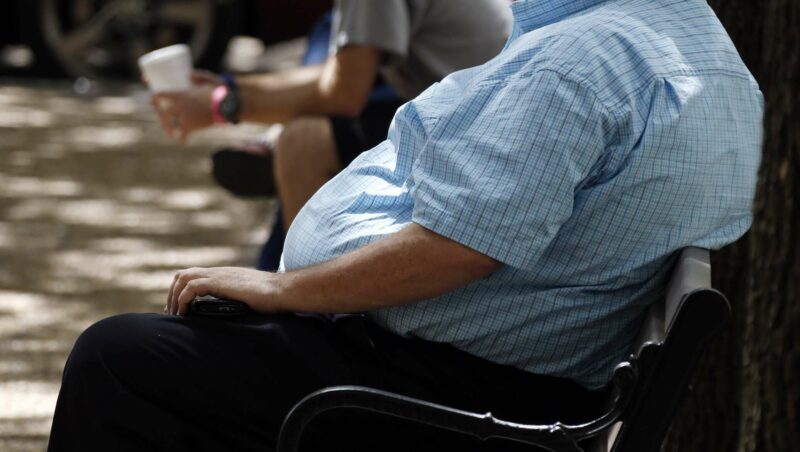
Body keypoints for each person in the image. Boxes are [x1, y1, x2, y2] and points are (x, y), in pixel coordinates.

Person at [48, 0, 763, 451]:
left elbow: (458, 249)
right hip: (515, 379)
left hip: (445, 398)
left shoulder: (583, 64)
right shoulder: (706, 51)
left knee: (118, 359)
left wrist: (282, 288)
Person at [151, 0, 513, 271]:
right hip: (474, 119)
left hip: (483, 139)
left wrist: (222, 104)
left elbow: (343, 93)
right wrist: (230, 90)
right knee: (317, 86)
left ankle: (303, 313)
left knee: (305, 141)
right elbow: (339, 73)